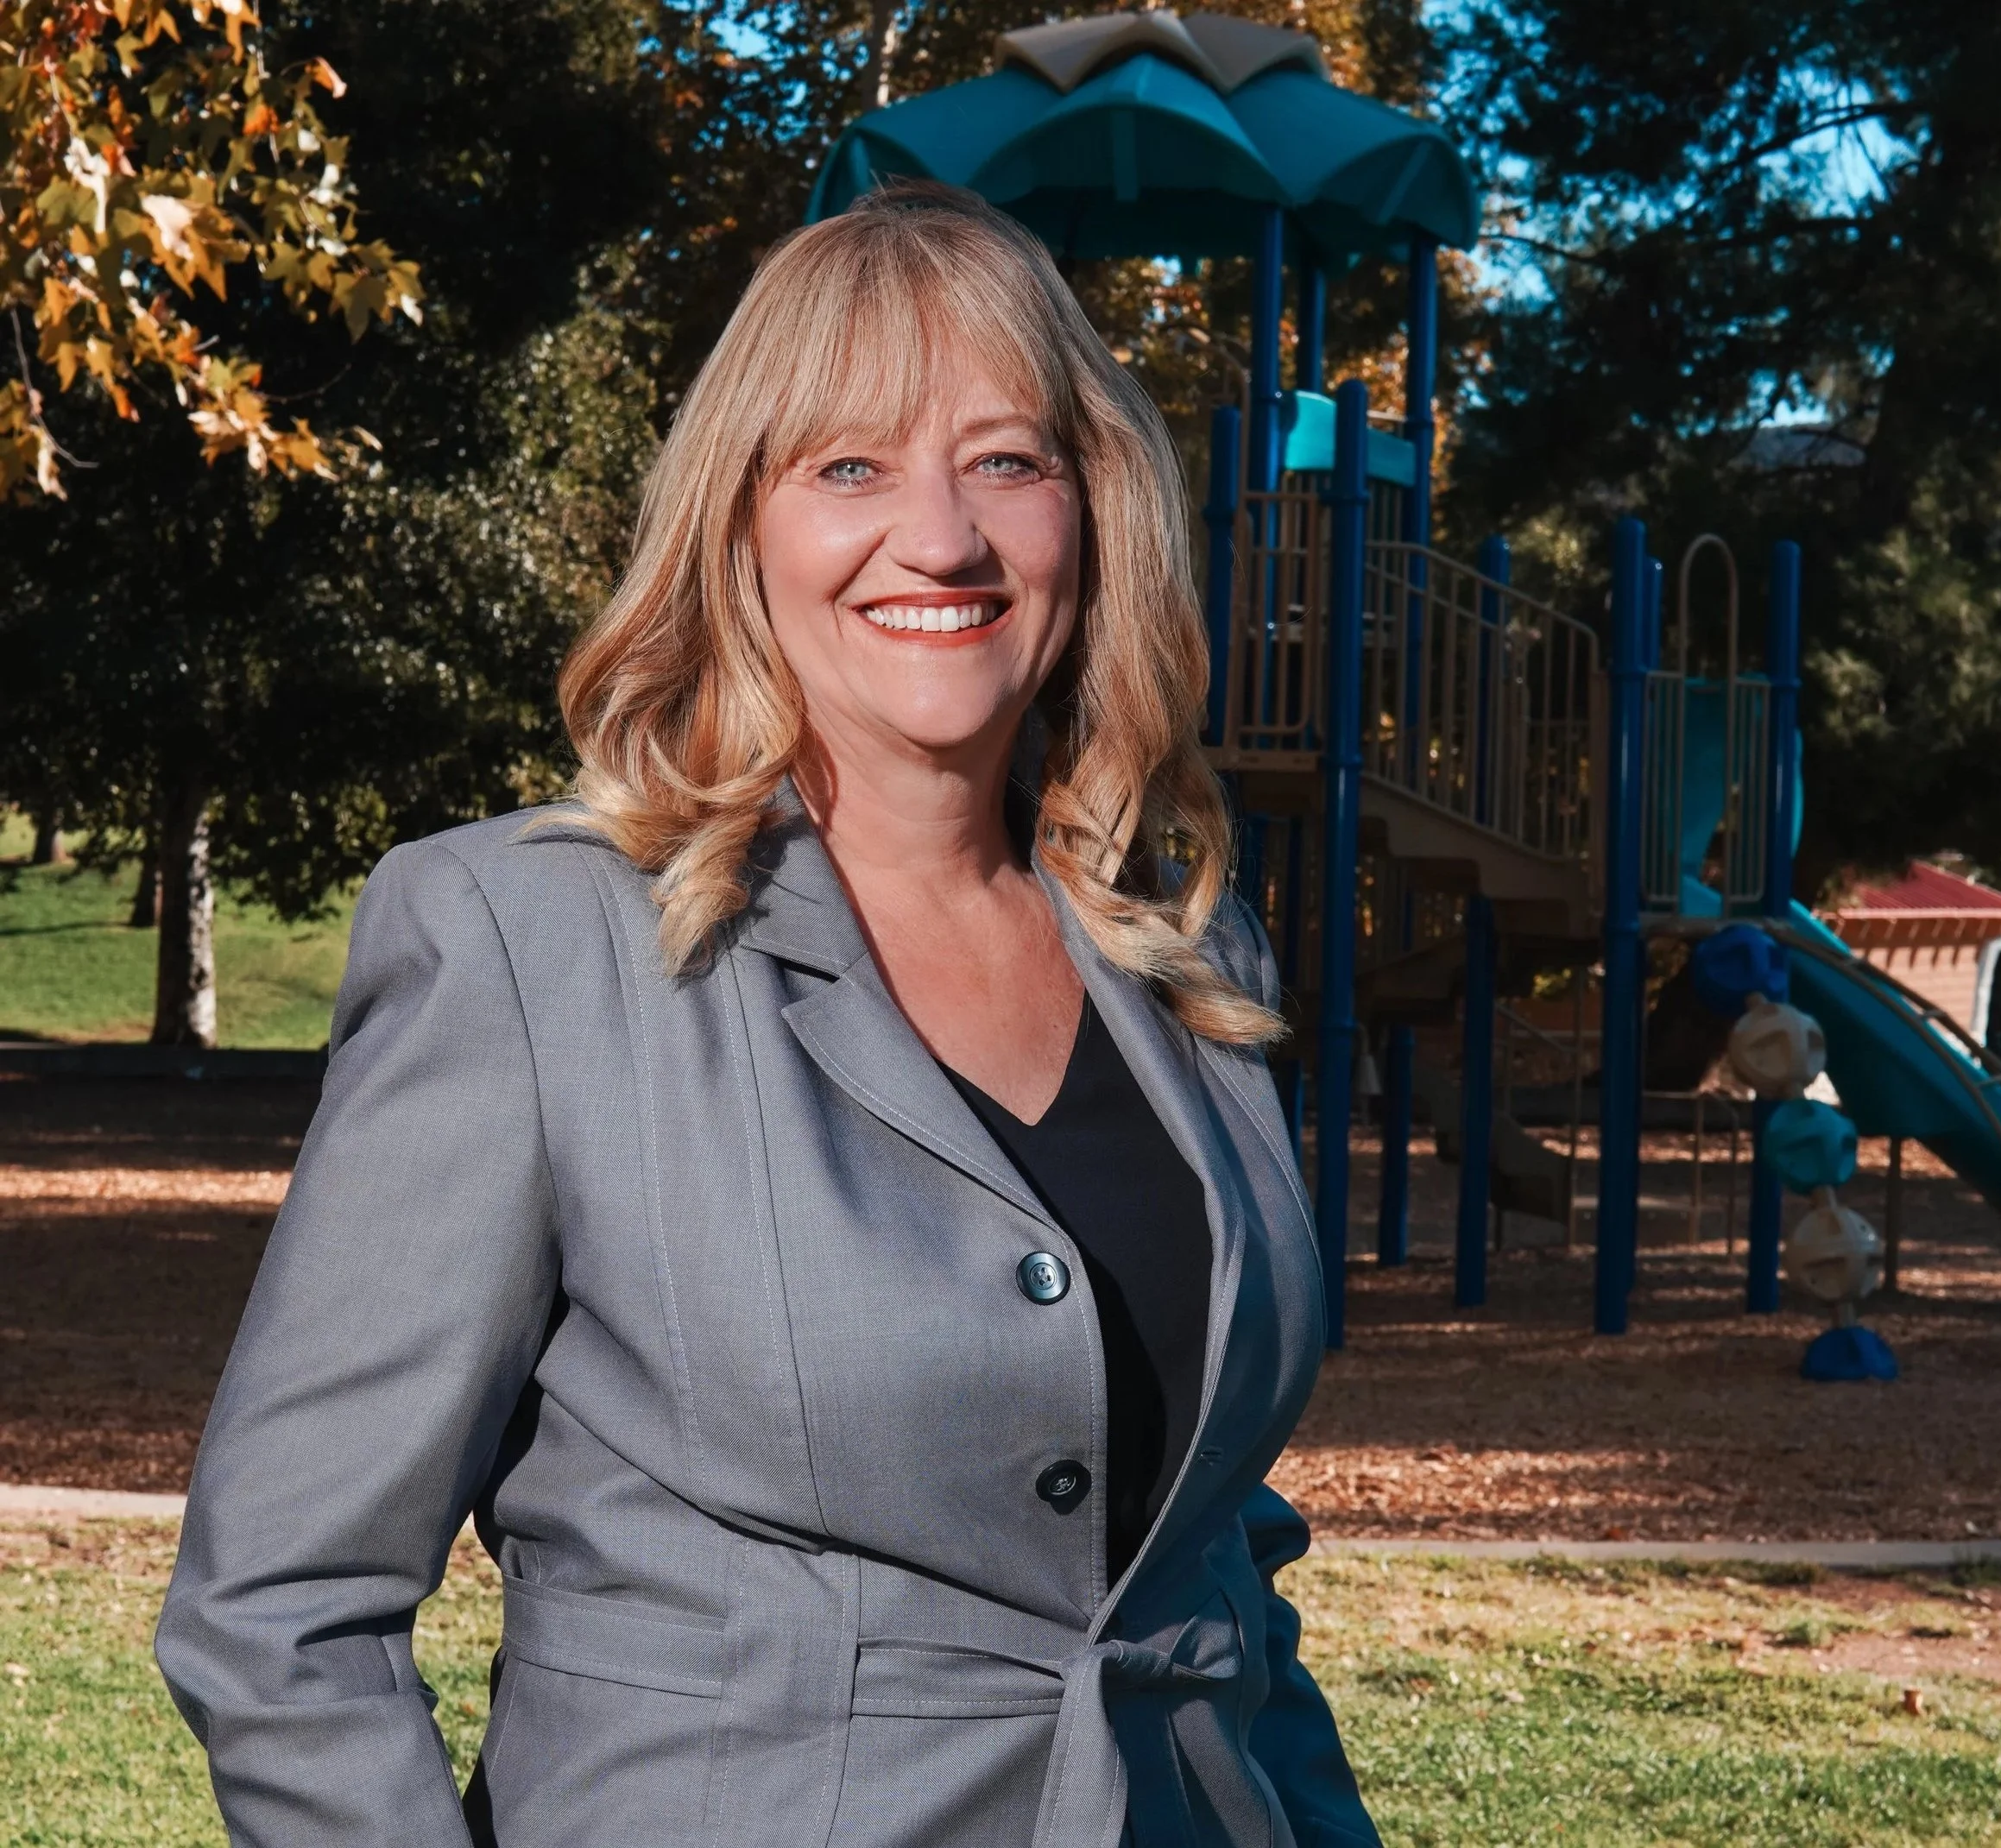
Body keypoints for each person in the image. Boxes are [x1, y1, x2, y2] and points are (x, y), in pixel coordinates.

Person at [156, 180, 1378, 1848]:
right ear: (741, 527)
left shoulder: (1182, 943)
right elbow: (282, 1610)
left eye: (1006, 460)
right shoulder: (532, 942)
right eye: (849, 468)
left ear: (1094, 511)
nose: (940, 537)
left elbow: (1207, 1555)